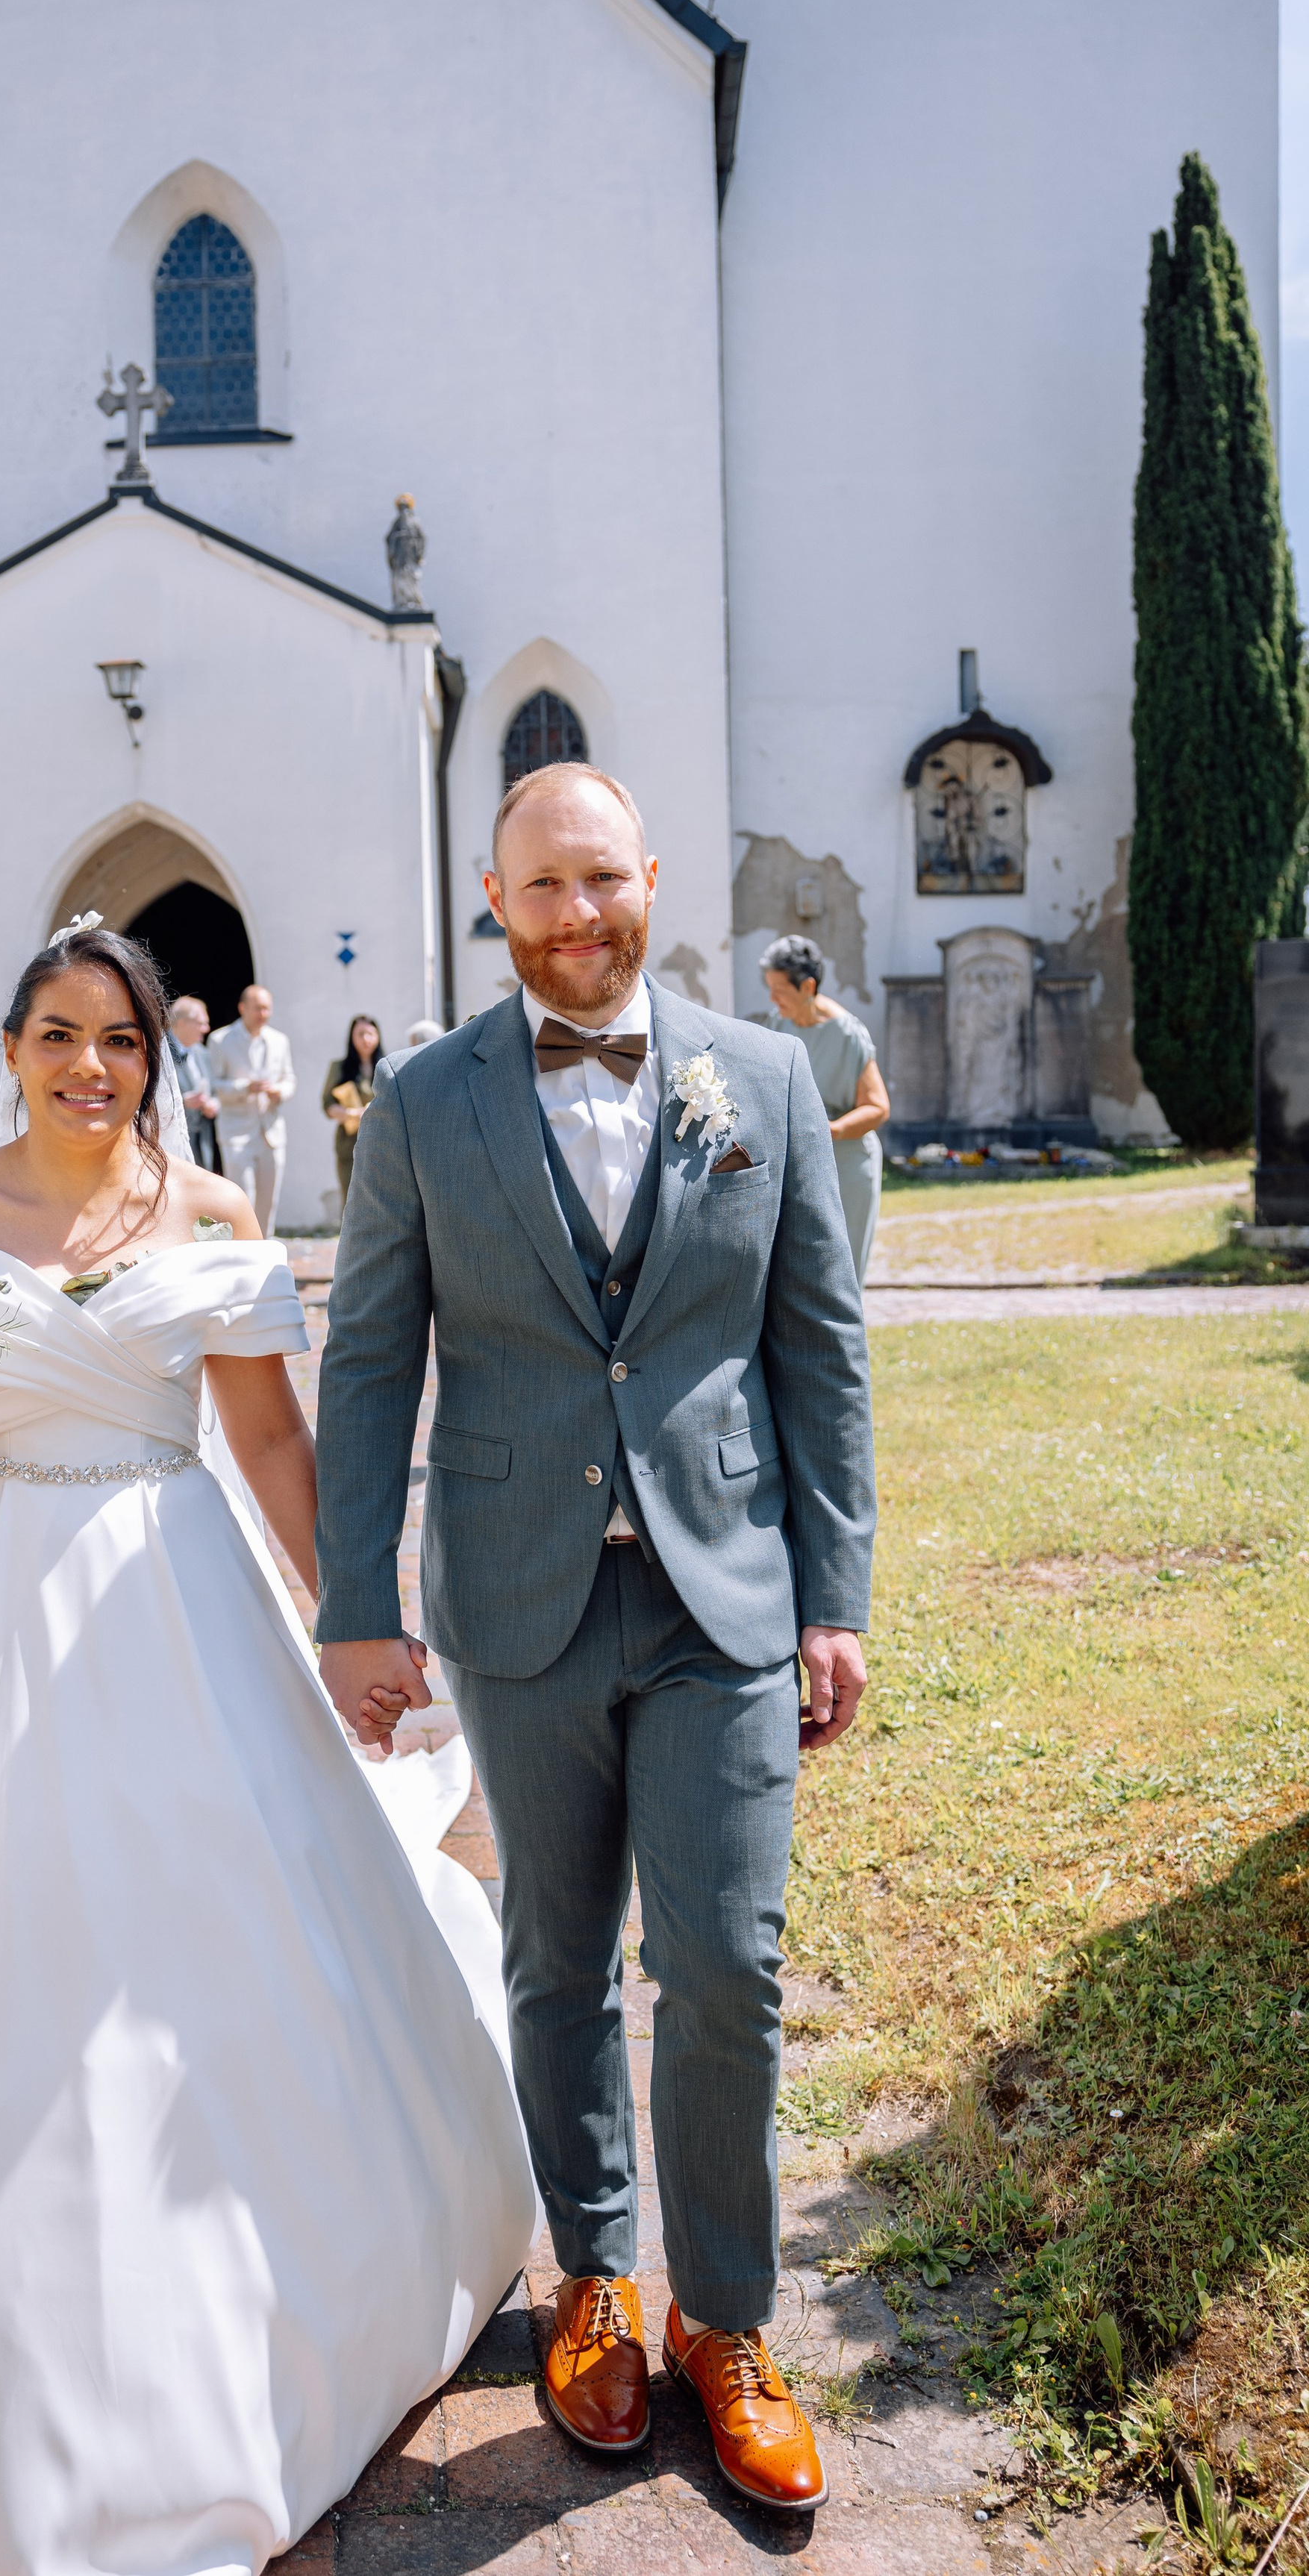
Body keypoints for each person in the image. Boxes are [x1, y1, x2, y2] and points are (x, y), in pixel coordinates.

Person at [0, 921, 532, 2576]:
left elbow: (268, 1440)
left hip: (175, 1584)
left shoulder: (214, 1216)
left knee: (213, 1921)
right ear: (8, 1042)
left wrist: (351, 1618)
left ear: (156, 1058)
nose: (87, 1066)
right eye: (54, 1033)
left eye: (117, 1040)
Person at [313, 762, 874, 2517]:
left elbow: (817, 1350)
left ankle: (724, 2319)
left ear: (650, 876)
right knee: (556, 1962)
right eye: (537, 890)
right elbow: (365, 1361)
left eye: (600, 881)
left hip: (724, 1589)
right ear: (495, 901)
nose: (575, 918)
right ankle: (595, 2281)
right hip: (514, 1584)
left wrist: (837, 1592)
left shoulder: (764, 1080)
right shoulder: (417, 1102)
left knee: (724, 1962)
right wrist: (354, 1606)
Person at [755, 935, 890, 1282]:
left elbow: (877, 1107)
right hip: (796, 1164)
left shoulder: (848, 1034)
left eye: (780, 990)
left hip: (847, 1165)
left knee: (844, 1275)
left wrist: (828, 1131)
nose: (773, 999)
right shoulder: (777, 1024)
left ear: (808, 986)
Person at [208, 980, 296, 1230]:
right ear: (242, 1008)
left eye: (267, 1008)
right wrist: (245, 1087)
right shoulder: (220, 1039)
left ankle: (265, 1252)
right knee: (241, 1199)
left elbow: (290, 1079)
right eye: (258, 1008)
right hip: (236, 1131)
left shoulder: (280, 1040)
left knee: (269, 1201)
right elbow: (214, 1084)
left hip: (272, 1131)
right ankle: (243, 1254)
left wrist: (279, 1091)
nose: (263, 1014)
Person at [322, 1012, 383, 1212]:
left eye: (370, 1034)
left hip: (381, 1141)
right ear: (352, 1037)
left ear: (378, 1036)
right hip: (349, 1141)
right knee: (350, 1198)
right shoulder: (339, 1067)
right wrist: (350, 1114)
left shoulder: (386, 1066)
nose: (366, 1039)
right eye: (360, 1034)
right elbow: (327, 1104)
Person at [166, 990, 222, 1173]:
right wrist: (183, 1102)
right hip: (173, 1142)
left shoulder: (203, 1053)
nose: (206, 1029)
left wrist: (214, 1103)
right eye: (201, 1023)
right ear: (181, 1023)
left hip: (203, 1137)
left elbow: (214, 1089)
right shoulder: (161, 1053)